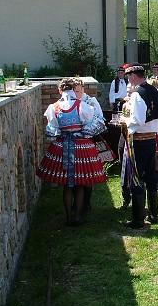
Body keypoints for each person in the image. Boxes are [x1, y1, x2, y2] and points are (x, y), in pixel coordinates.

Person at [37, 77, 107, 226]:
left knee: (67, 185)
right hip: (81, 146)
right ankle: (78, 217)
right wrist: (82, 132)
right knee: (80, 183)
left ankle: (68, 217)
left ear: (60, 90)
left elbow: (51, 130)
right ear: (73, 89)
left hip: (62, 146)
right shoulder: (81, 106)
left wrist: (63, 132)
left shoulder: (53, 107)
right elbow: (95, 123)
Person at [120, 63, 158, 229]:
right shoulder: (154, 90)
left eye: (129, 77)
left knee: (136, 176)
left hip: (139, 139)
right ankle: (153, 214)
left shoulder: (137, 94)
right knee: (151, 175)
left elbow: (137, 120)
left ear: (132, 76)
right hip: (151, 138)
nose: (129, 81)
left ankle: (138, 220)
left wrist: (125, 120)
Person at [73, 77, 108, 211]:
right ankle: (77, 202)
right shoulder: (69, 101)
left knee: (88, 172)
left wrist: (87, 128)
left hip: (89, 139)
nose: (76, 93)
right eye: (74, 90)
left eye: (77, 90)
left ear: (82, 88)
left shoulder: (90, 101)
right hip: (75, 141)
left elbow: (100, 119)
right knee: (76, 172)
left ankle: (86, 202)